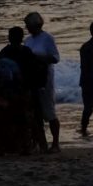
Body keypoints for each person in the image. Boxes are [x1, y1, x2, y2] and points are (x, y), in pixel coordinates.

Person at [23, 12, 60, 150]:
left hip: (45, 79)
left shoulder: (47, 38)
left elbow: (55, 58)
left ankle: (55, 143)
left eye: (28, 25)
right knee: (35, 112)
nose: (27, 28)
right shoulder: (28, 40)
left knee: (49, 111)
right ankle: (41, 143)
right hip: (32, 79)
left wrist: (38, 58)